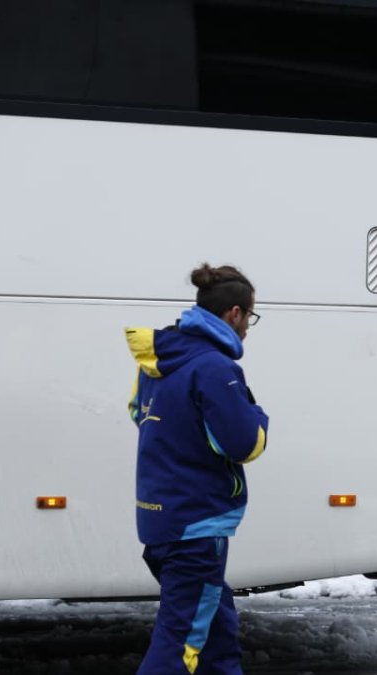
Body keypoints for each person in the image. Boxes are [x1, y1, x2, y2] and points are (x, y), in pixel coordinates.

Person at [125, 263, 269, 675]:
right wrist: (257, 415)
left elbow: (137, 413)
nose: (248, 327)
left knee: (217, 632)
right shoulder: (214, 367)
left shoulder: (158, 360)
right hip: (196, 525)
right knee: (180, 644)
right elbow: (244, 444)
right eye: (250, 317)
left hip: (160, 519)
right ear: (235, 314)